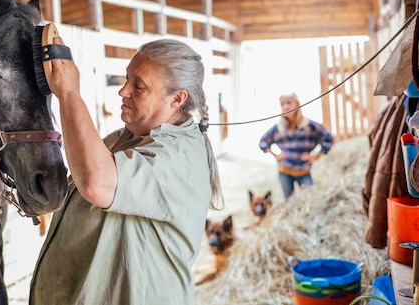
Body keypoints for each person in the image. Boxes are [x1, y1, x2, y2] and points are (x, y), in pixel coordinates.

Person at [29, 38, 223, 305]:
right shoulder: (122, 138)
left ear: (177, 99)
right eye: (127, 79)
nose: (123, 91)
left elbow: (96, 182)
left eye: (138, 86)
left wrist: (69, 93)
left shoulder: (179, 157)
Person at [258, 92, 334, 200]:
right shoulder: (279, 128)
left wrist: (315, 156)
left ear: (297, 104)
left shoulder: (309, 126)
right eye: (282, 104)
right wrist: (275, 154)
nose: (285, 106)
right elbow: (263, 142)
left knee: (310, 200)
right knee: (289, 202)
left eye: (289, 103)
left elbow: (328, 138)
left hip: (303, 171)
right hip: (285, 171)